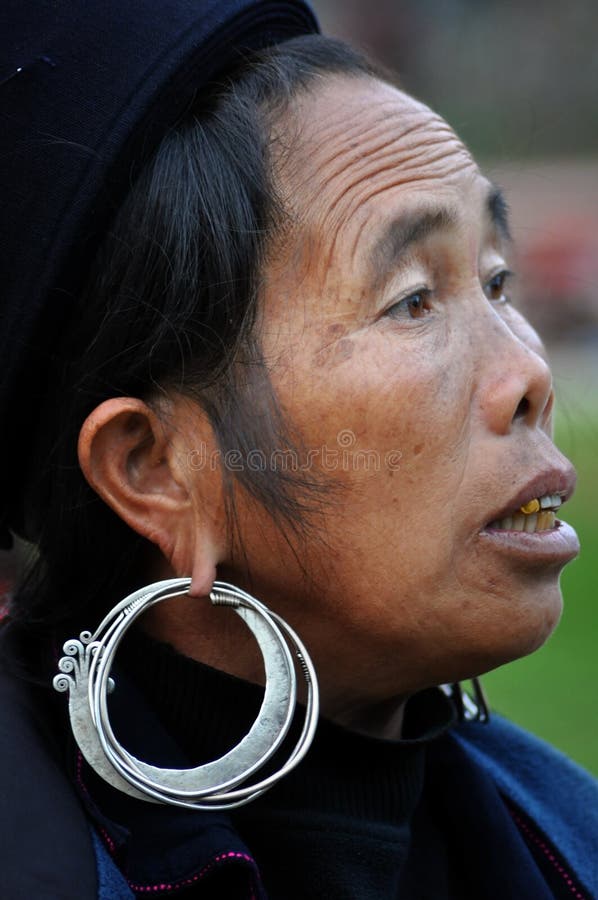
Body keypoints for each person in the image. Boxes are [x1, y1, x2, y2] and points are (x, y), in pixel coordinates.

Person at [1, 1, 597, 897]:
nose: (529, 376)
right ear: (154, 470)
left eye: (497, 280)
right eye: (411, 301)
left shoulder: (565, 838)